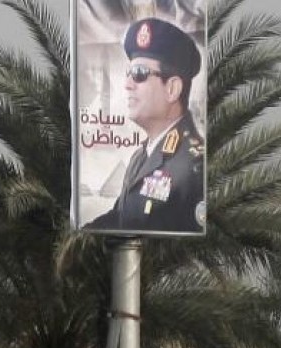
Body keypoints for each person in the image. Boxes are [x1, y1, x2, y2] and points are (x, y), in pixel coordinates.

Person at [85, 17, 205, 233]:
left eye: (139, 74)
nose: (127, 84)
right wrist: (78, 238)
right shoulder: (140, 157)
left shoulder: (195, 167)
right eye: (128, 73)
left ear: (172, 89)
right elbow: (120, 218)